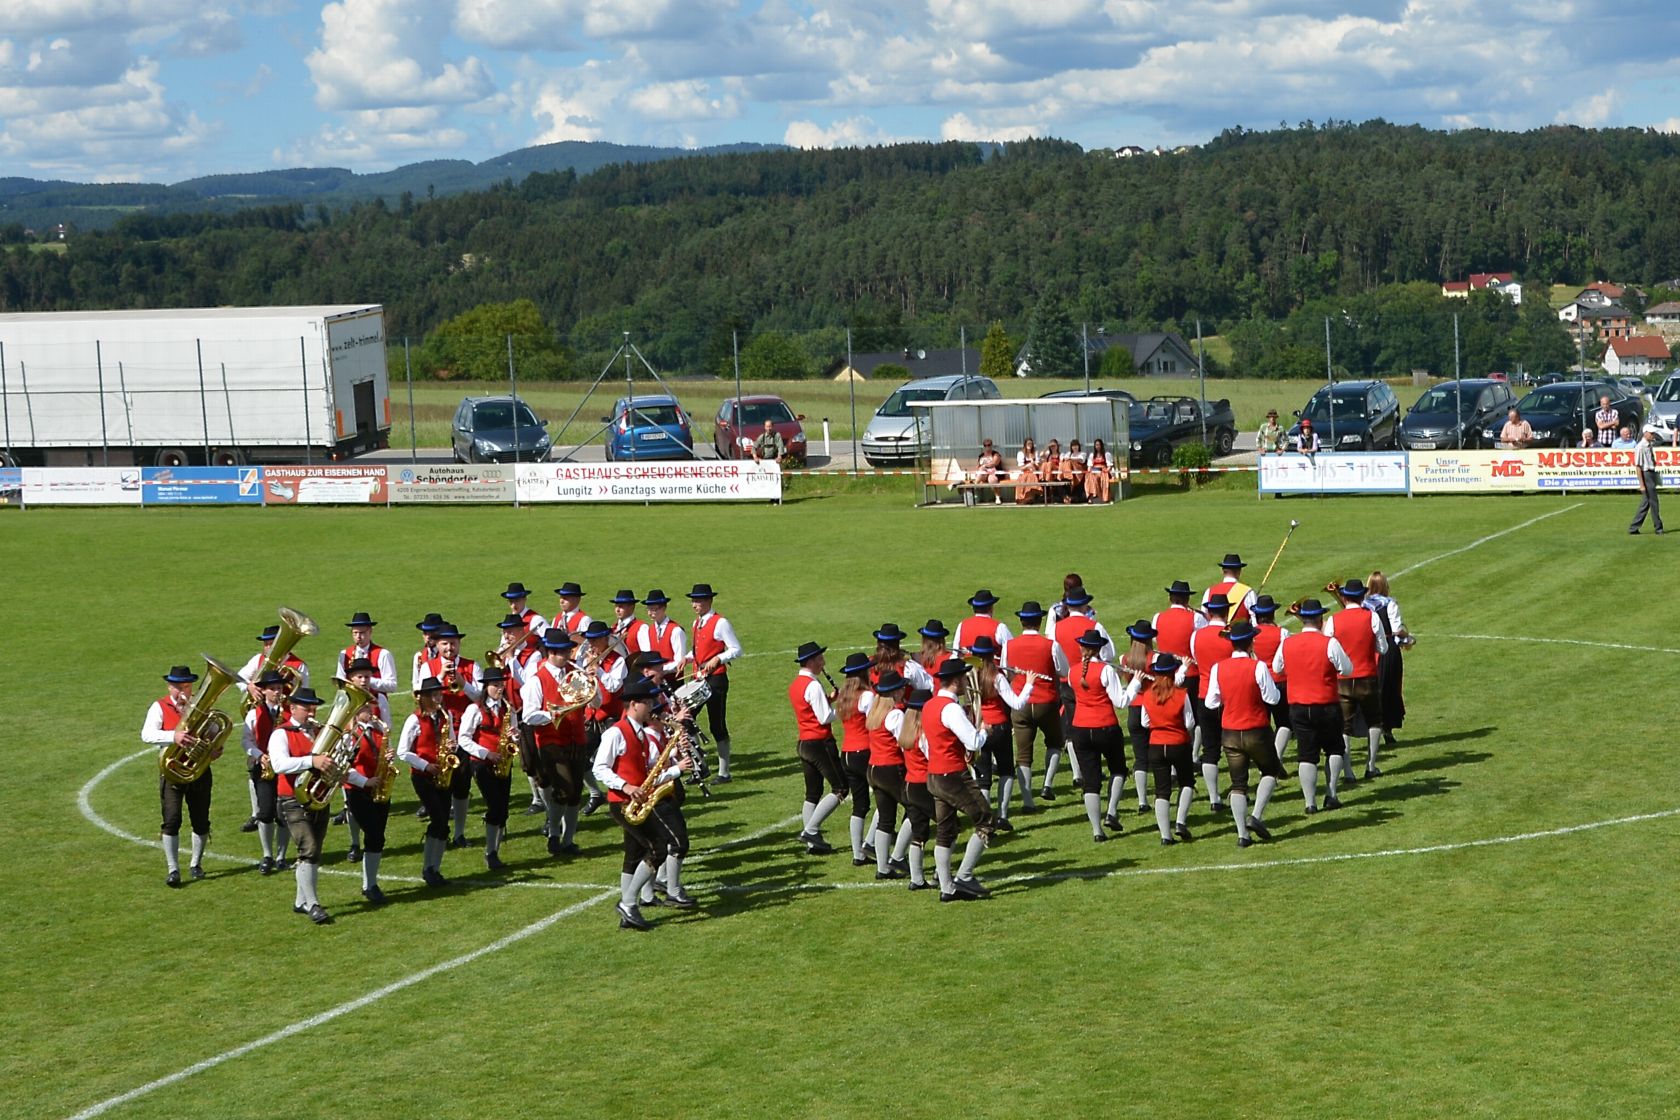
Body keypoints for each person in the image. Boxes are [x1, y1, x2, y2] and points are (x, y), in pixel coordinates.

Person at [593, 679, 691, 931]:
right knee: (658, 848)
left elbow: (648, 771)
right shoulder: (616, 733)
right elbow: (599, 768)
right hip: (623, 802)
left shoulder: (641, 735)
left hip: (639, 800)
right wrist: (625, 786)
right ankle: (628, 903)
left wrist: (674, 767)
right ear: (633, 704)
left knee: (634, 852)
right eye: (648, 702)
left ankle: (629, 910)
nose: (652, 707)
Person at [1204, 622, 1285, 848]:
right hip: (1256, 729)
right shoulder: (1257, 667)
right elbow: (1272, 698)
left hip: (1230, 732)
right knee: (1270, 770)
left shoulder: (1218, 668)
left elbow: (1211, 702)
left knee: (1238, 784)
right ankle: (1256, 815)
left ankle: (1242, 834)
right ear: (1250, 643)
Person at [923, 658, 996, 901]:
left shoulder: (930, 705)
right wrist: (984, 730)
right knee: (986, 820)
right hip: (952, 774)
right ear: (955, 681)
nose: (966, 681)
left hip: (934, 774)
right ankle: (964, 876)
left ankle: (947, 887)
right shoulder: (951, 709)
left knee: (945, 830)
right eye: (964, 678)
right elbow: (973, 742)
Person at [1273, 599, 1352, 812]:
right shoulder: (1329, 643)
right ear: (1319, 619)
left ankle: (1310, 803)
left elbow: (1277, 668)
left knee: (1306, 754)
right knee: (1334, 748)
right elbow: (1347, 669)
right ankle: (1331, 793)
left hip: (1298, 706)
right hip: (1326, 704)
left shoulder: (1287, 643)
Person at [144, 665, 219, 887]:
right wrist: (173, 736)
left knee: (201, 820)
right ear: (170, 687)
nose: (182, 692)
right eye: (177, 687)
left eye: (186, 687)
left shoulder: (201, 707)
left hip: (199, 771)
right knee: (171, 820)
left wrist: (214, 748)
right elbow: (147, 734)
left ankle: (196, 864)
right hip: (172, 772)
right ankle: (173, 868)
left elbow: (214, 732)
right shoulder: (159, 707)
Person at [266, 687, 333, 924]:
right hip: (292, 799)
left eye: (314, 708)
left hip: (318, 797)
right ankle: (313, 904)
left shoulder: (319, 732)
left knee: (314, 851)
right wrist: (312, 761)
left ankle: (300, 901)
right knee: (309, 848)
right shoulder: (280, 734)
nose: (311, 712)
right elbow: (279, 765)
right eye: (307, 708)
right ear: (292, 708)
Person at [522, 630, 589, 856]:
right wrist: (552, 715)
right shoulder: (537, 680)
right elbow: (529, 716)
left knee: (576, 792)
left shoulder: (575, 674)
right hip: (551, 741)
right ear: (550, 653)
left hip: (577, 738)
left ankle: (568, 840)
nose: (567, 656)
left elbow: (594, 702)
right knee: (564, 788)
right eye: (562, 653)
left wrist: (592, 684)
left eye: (568, 652)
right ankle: (553, 834)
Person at [1121, 653, 1198, 845]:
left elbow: (1145, 723)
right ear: (1173, 672)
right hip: (1178, 744)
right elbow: (1190, 723)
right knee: (1187, 782)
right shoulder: (1181, 694)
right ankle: (1180, 821)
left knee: (1161, 791)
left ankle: (1165, 835)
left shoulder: (1147, 695)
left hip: (1156, 746)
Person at [1001, 600, 1068, 816]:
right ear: (1039, 622)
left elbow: (1007, 672)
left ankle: (1028, 800)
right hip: (1046, 702)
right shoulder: (1050, 645)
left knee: (1023, 755)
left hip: (1020, 703)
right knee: (1055, 743)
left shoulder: (1010, 645)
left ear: (1021, 621)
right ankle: (1047, 783)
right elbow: (1064, 670)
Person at [419, 623, 481, 847]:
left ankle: (459, 833)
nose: (449, 648)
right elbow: (422, 698)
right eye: (445, 643)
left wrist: (463, 684)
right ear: (437, 645)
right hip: (438, 736)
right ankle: (442, 831)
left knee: (462, 787)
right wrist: (440, 676)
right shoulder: (428, 667)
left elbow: (481, 698)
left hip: (465, 734)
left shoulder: (472, 666)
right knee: (441, 786)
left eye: (453, 643)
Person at [1067, 631, 1128, 843]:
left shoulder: (1073, 671)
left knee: (1090, 782)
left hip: (1080, 728)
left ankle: (1097, 830)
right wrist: (1136, 684)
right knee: (1118, 769)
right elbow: (1120, 701)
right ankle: (1111, 811)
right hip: (1105, 726)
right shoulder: (1106, 670)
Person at [1325, 578, 1388, 779]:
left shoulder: (1334, 620)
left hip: (1342, 680)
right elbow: (1383, 648)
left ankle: (1348, 771)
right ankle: (1371, 765)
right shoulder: (1372, 617)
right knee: (1374, 721)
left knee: (1344, 726)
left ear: (1344, 598)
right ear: (1362, 597)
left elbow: (1327, 650)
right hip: (1367, 677)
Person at [789, 642, 846, 855]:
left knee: (813, 793)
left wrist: (828, 700)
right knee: (841, 788)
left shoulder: (796, 684)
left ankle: (813, 844)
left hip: (804, 743)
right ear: (811, 661)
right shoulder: (813, 685)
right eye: (820, 659)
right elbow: (824, 717)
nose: (823, 662)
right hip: (820, 743)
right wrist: (844, 709)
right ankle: (811, 831)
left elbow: (811, 710)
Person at [963, 635, 1026, 829]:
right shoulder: (996, 676)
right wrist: (1029, 683)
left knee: (983, 778)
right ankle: (1003, 815)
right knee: (1006, 771)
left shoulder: (968, 675)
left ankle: (986, 818)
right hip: (999, 728)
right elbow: (1016, 703)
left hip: (979, 727)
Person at [457, 666, 516, 871]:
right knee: (495, 806)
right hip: (481, 763)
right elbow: (463, 738)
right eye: (495, 685)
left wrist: (514, 737)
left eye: (501, 685)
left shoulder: (508, 709)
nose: (499, 689)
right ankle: (490, 852)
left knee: (503, 809)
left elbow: (513, 733)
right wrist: (486, 753)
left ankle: (494, 852)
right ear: (486, 687)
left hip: (503, 762)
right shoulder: (474, 709)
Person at [398, 677, 456, 886]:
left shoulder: (446, 716)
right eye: (434, 695)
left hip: (443, 773)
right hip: (423, 777)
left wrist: (452, 747)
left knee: (443, 824)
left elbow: (453, 741)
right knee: (438, 819)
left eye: (439, 694)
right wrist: (425, 765)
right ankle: (428, 867)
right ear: (424, 697)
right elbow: (402, 751)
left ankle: (435, 868)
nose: (438, 698)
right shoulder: (414, 720)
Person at [862, 671, 916, 884]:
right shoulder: (895, 715)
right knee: (915, 809)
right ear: (894, 692)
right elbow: (905, 742)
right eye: (901, 687)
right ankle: (898, 856)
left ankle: (883, 867)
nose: (904, 690)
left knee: (885, 818)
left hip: (874, 768)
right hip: (890, 768)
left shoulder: (874, 713)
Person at [341, 688, 391, 904]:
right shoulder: (349, 736)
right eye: (365, 708)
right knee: (374, 834)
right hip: (357, 790)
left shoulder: (377, 731)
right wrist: (364, 781)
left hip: (378, 789)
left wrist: (387, 757)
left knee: (378, 837)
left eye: (370, 707)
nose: (370, 711)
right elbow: (343, 766)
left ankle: (370, 883)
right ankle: (369, 884)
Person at [687, 583, 741, 781]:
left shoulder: (721, 623)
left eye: (698, 601)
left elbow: (736, 649)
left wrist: (718, 658)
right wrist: (687, 658)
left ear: (709, 601)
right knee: (686, 719)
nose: (695, 605)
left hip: (716, 679)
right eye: (693, 601)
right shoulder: (697, 623)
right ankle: (699, 765)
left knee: (717, 724)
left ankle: (724, 772)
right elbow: (699, 649)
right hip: (698, 678)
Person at [1189, 594, 1235, 813]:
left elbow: (1196, 659)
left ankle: (1214, 797)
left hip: (1204, 695)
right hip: (1229, 696)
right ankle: (1238, 789)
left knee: (1210, 750)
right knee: (1234, 747)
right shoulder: (1230, 635)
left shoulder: (1196, 636)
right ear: (1226, 611)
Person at [241, 668, 289, 873]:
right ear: (264, 691)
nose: (277, 692)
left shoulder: (289, 712)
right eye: (273, 688)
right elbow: (246, 740)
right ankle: (267, 854)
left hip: (285, 768)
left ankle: (281, 856)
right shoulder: (254, 713)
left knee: (284, 813)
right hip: (263, 767)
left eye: (279, 688)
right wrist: (259, 755)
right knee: (266, 811)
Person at [833, 652, 877, 865]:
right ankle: (870, 842)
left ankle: (857, 853)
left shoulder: (843, 696)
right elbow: (875, 722)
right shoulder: (866, 696)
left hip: (847, 753)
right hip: (864, 752)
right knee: (887, 798)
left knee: (860, 805)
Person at [1363, 574, 1409, 745]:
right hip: (1387, 648)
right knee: (1389, 688)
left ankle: (1373, 728)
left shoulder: (1363, 604)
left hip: (1368, 648)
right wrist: (1407, 636)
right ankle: (1386, 729)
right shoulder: (1389, 603)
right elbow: (1396, 629)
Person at [637, 589, 689, 682]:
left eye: (653, 609)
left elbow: (680, 662)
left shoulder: (676, 631)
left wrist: (660, 669)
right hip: (655, 682)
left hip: (673, 681)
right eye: (648, 609)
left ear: (663, 608)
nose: (649, 613)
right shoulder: (648, 631)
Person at [1631, 424, 1666, 535]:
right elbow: (1638, 466)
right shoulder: (1640, 447)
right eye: (1651, 433)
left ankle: (1634, 527)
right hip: (1646, 474)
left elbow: (1660, 440)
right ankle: (1658, 527)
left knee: (1646, 502)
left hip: (1651, 473)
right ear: (1645, 433)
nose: (1653, 435)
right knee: (1653, 501)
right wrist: (1641, 485)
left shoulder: (1649, 444)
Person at [1203, 553, 1257, 622]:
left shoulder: (1209, 591)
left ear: (1222, 571)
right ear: (1239, 571)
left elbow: (1204, 618)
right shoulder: (1248, 592)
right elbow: (1255, 620)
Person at [1014, 438, 1045, 504]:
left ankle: (1030, 497)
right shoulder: (1021, 453)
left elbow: (1038, 466)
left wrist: (1034, 463)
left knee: (1031, 476)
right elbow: (1021, 468)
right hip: (1024, 472)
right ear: (1025, 444)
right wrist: (1028, 466)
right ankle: (1024, 497)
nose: (1029, 445)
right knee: (1026, 477)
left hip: (1034, 472)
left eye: (1031, 444)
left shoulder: (1035, 453)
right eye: (1028, 443)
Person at [1085, 438, 1113, 503]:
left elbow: (1109, 466)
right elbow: (1089, 467)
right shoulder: (1092, 455)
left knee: (1103, 477)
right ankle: (1092, 496)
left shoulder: (1106, 454)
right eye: (1096, 445)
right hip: (1094, 471)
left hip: (1103, 471)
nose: (1098, 446)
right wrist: (1089, 472)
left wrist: (1106, 471)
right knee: (1089, 477)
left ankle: (1104, 497)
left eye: (1099, 445)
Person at [1062, 439, 1087, 504]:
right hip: (1071, 472)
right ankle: (1067, 477)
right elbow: (1064, 458)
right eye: (1073, 446)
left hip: (1079, 472)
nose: (1075, 447)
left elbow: (1081, 460)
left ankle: (1068, 476)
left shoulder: (1082, 453)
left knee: (1069, 462)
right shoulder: (1069, 454)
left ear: (1078, 446)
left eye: (1076, 445)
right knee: (1066, 463)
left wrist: (1071, 459)